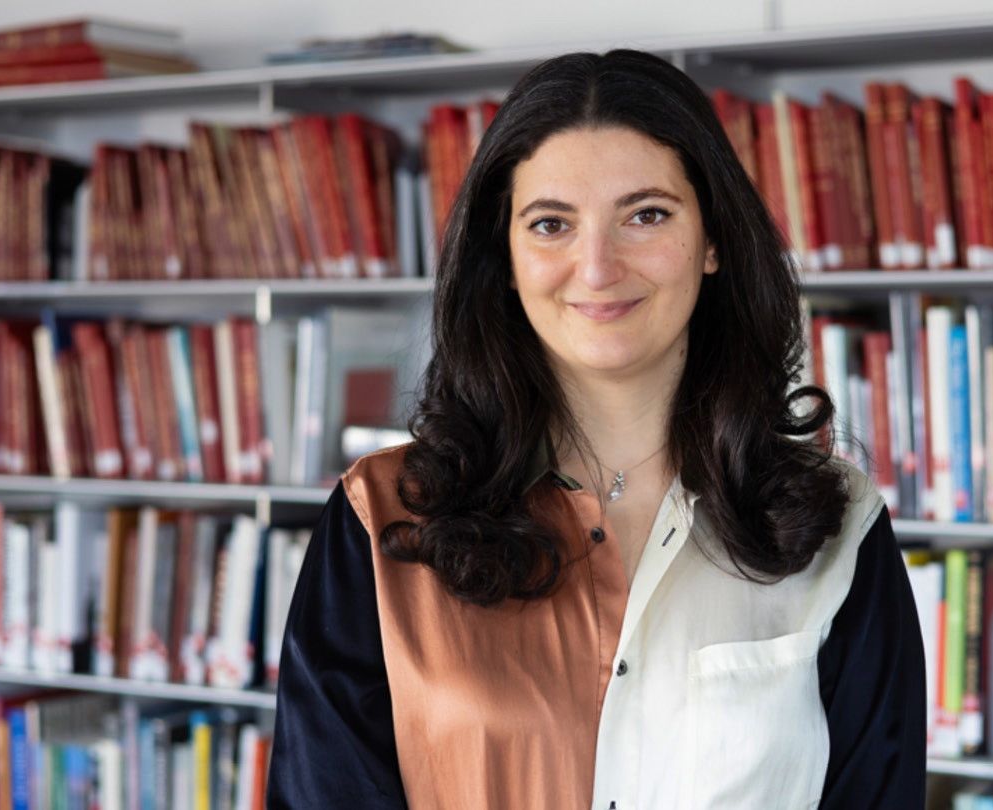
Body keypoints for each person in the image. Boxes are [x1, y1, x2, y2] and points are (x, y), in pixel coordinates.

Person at [268, 48, 925, 809]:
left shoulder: (837, 525)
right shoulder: (381, 518)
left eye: (646, 215)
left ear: (712, 240)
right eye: (551, 223)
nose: (597, 265)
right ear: (506, 260)